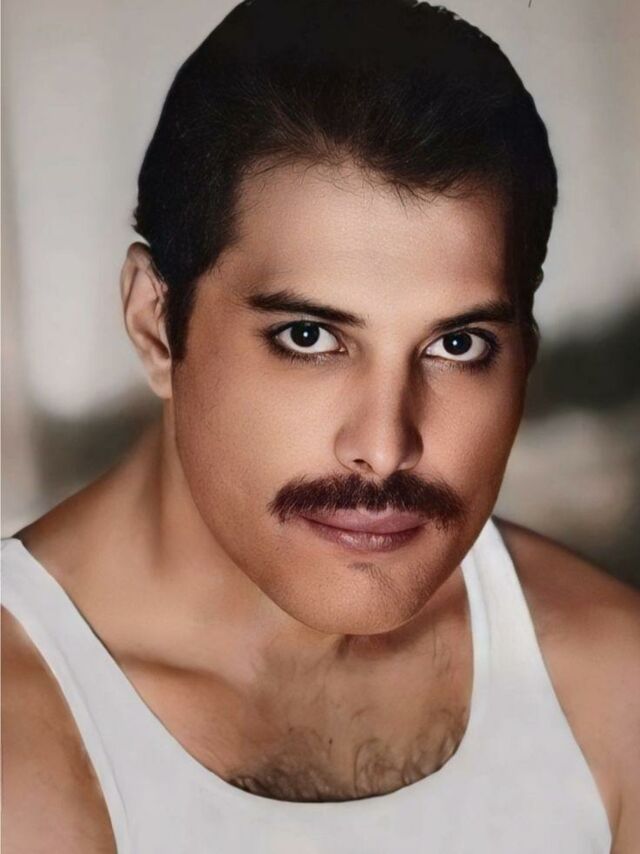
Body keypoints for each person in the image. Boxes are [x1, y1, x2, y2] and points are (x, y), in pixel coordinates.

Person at [2, 0, 638, 851]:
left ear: (524, 353)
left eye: (456, 344)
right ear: (156, 325)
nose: (384, 445)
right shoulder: (20, 745)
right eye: (308, 337)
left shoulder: (612, 683)